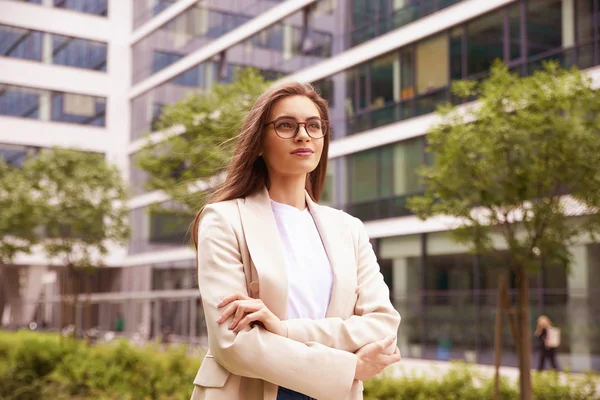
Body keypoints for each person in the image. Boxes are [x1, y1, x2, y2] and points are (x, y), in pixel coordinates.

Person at [190, 82, 401, 400]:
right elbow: (233, 344)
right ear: (259, 142)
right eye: (286, 125)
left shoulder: (349, 229)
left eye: (314, 126)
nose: (303, 135)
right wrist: (348, 367)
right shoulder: (223, 220)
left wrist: (286, 331)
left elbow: (383, 325)